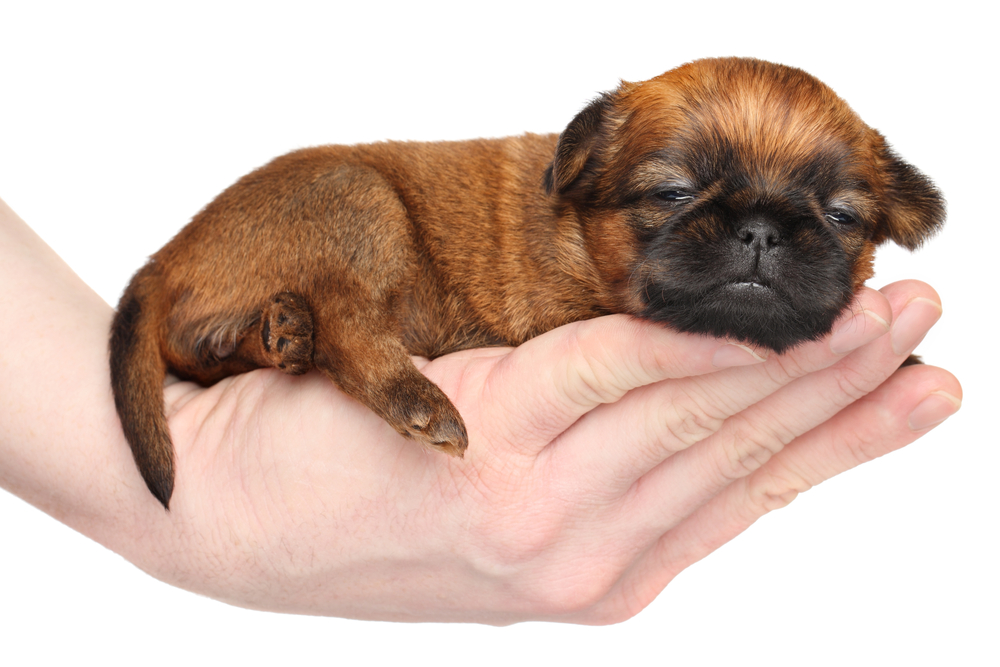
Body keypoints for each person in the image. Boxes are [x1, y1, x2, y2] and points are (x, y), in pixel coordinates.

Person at [0, 196, 960, 624]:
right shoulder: (532, 237)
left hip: (222, 319)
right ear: (587, 172)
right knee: (355, 212)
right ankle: (342, 339)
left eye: (835, 217)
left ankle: (287, 331)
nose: (757, 238)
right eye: (673, 196)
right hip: (240, 267)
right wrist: (182, 481)